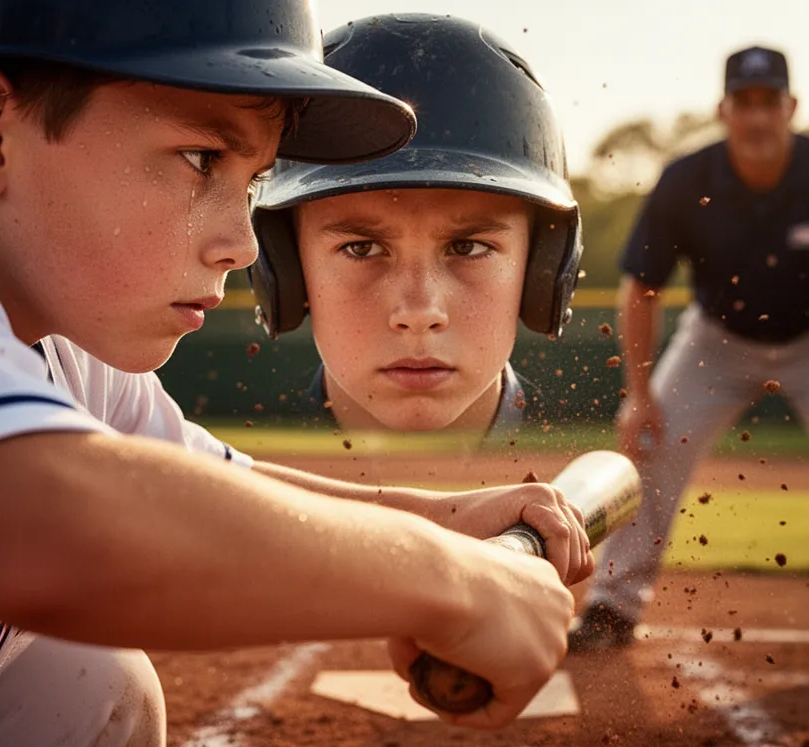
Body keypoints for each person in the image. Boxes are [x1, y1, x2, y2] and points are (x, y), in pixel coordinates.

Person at [0, 1, 597, 747]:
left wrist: (446, 520)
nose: (242, 245)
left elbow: (201, 490)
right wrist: (449, 582)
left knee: (78, 687)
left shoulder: (65, 345)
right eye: (203, 159)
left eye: (252, 182)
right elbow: (43, 520)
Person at [570, 45, 809, 673]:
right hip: (718, 337)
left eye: (768, 101)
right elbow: (642, 287)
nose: (756, 116)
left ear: (790, 106)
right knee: (649, 442)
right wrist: (639, 394)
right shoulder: (688, 178)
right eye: (743, 103)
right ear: (723, 110)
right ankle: (611, 606)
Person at [248, 14, 581, 442]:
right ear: (284, 267)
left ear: (543, 269)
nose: (420, 313)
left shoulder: (603, 456)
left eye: (467, 247)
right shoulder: (205, 462)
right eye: (362, 248)